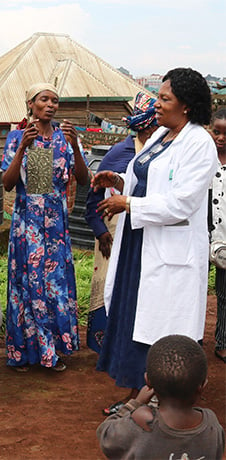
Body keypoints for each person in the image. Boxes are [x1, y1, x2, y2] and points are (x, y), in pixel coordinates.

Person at [94, 68, 218, 415]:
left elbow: (182, 202)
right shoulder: (161, 134)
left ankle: (161, 397)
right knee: (134, 316)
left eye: (165, 99)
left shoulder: (198, 143)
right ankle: (138, 391)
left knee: (162, 325)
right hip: (140, 242)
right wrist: (117, 180)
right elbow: (143, 177)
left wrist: (129, 204)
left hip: (168, 246)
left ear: (187, 107)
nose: (157, 105)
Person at [1, 83, 89, 372]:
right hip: (28, 225)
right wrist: (23, 148)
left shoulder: (65, 139)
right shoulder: (18, 137)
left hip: (56, 226)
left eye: (55, 100)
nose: (51, 105)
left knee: (53, 284)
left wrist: (76, 147)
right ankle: (27, 351)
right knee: (29, 283)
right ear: (31, 104)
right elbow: (9, 183)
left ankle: (51, 350)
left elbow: (83, 179)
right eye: (44, 99)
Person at [84, 93, 159, 353]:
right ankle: (105, 346)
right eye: (150, 127)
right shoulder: (121, 152)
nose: (153, 131)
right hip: (113, 234)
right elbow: (92, 199)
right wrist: (101, 232)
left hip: (147, 233)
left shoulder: (162, 153)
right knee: (109, 285)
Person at [97, 335, 225, 459]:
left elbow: (106, 436)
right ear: (203, 386)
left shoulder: (141, 421)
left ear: (148, 382)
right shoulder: (212, 426)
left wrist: (135, 403)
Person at [209, 108, 226, 364]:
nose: (221, 137)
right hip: (200, 235)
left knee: (224, 294)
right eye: (216, 131)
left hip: (225, 239)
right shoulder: (203, 160)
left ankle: (222, 342)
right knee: (194, 289)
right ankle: (190, 340)